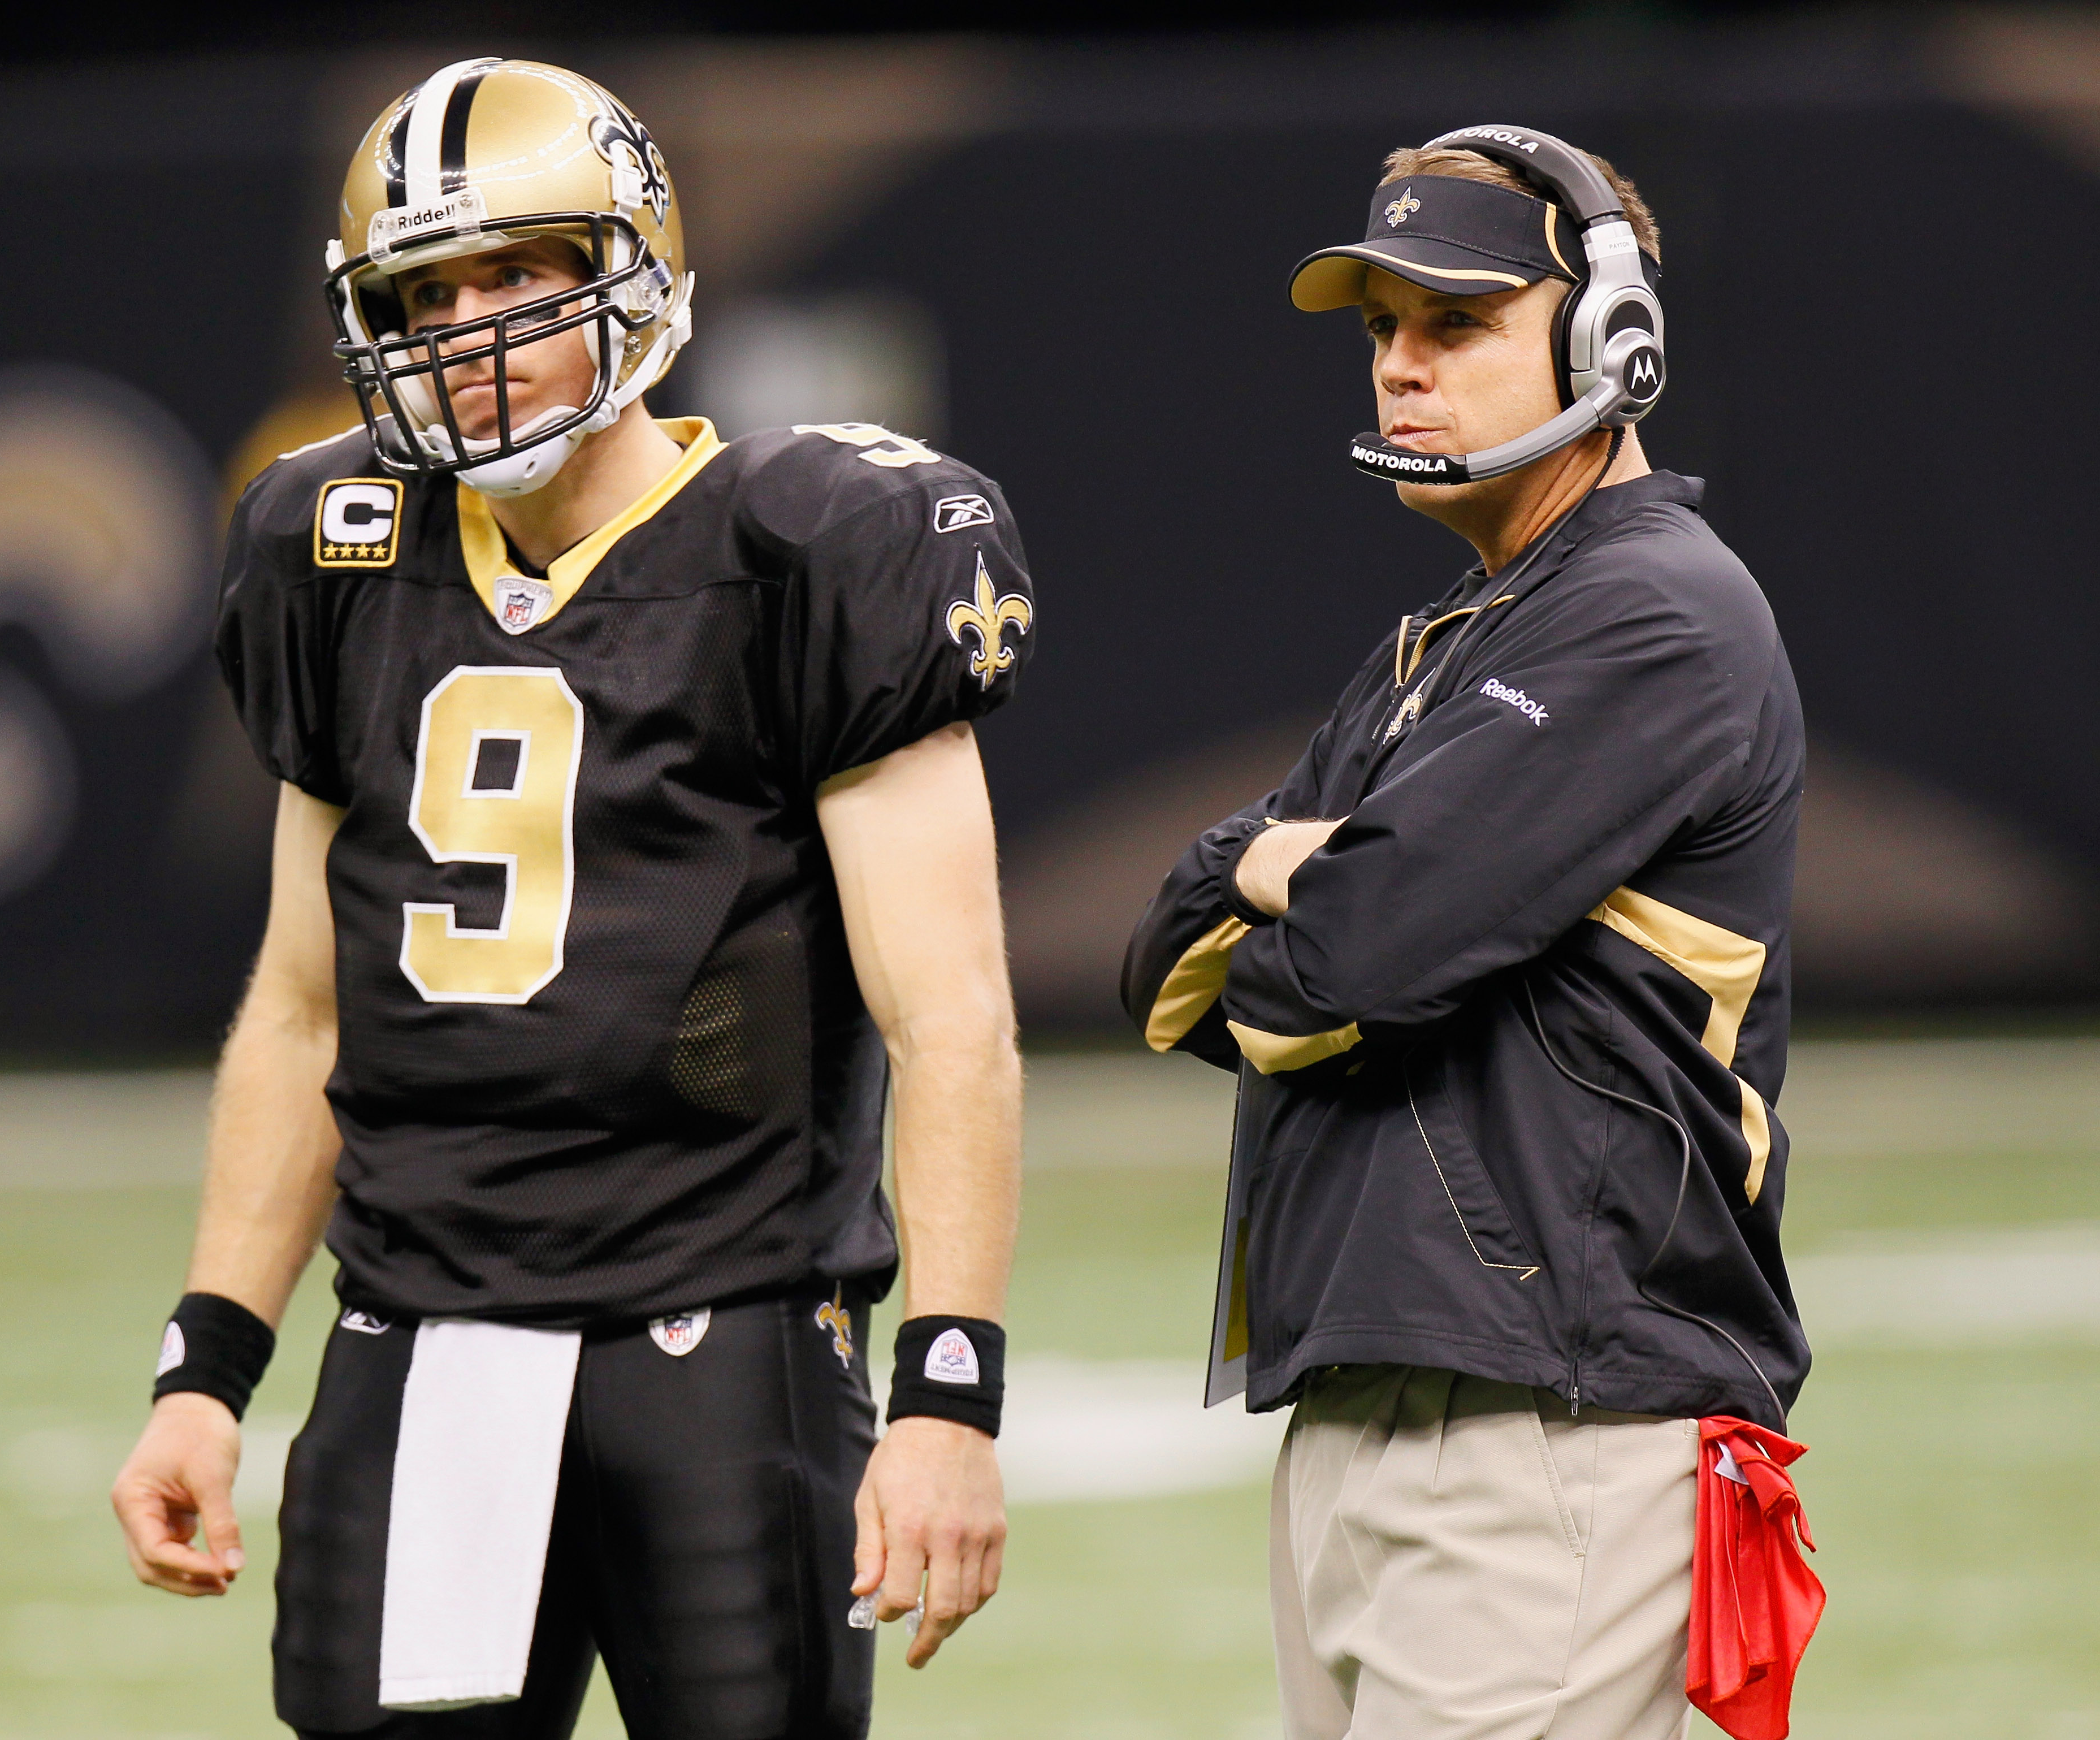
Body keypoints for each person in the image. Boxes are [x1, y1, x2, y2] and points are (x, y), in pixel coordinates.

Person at [110, 58, 1032, 1740]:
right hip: (419, 1335)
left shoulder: (813, 541)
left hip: (725, 1341)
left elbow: (949, 1015)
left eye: (516, 275)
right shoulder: (335, 543)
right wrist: (206, 1367)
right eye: (422, 291)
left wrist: (948, 1391)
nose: (465, 331)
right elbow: (305, 1002)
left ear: (639, 269)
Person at [1122, 127, 1808, 1740]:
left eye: (1456, 322)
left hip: (1553, 1415)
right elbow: (1174, 977)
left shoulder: (1660, 614)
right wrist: (1277, 864)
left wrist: (1302, 881)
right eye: (1381, 331)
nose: (1401, 371)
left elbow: (1357, 949)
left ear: (1609, 333)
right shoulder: (1447, 636)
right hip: (1374, 1401)